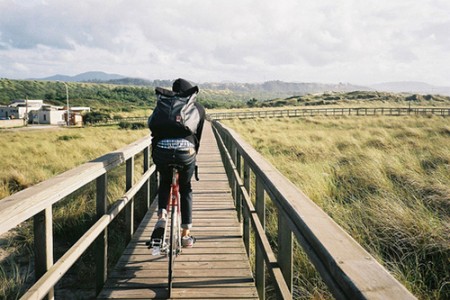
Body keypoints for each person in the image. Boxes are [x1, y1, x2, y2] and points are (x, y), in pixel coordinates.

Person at [149, 78, 205, 248]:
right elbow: (198, 136)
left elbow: (152, 127)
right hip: (185, 153)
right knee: (186, 187)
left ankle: (162, 216)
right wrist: (192, 154)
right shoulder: (197, 108)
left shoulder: (164, 105)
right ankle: (186, 235)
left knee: (165, 181)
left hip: (162, 151)